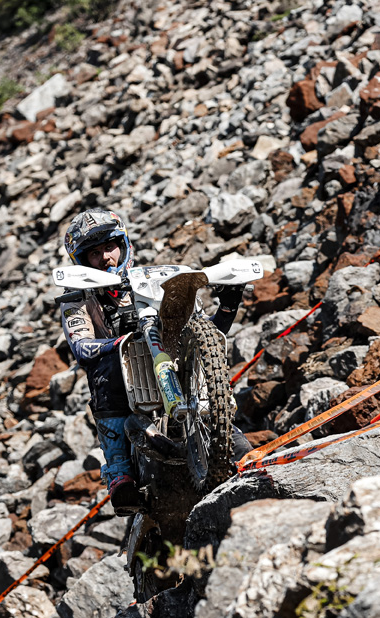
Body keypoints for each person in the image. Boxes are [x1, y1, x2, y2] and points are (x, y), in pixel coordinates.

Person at [59, 209, 250, 514]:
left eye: (110, 246)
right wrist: (121, 342)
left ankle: (227, 434)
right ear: (82, 261)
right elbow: (82, 348)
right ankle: (119, 472)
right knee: (103, 368)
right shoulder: (76, 296)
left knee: (195, 349)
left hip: (173, 366)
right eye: (94, 253)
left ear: (123, 243)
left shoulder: (154, 281)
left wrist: (228, 306)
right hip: (124, 377)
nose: (106, 257)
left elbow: (204, 333)